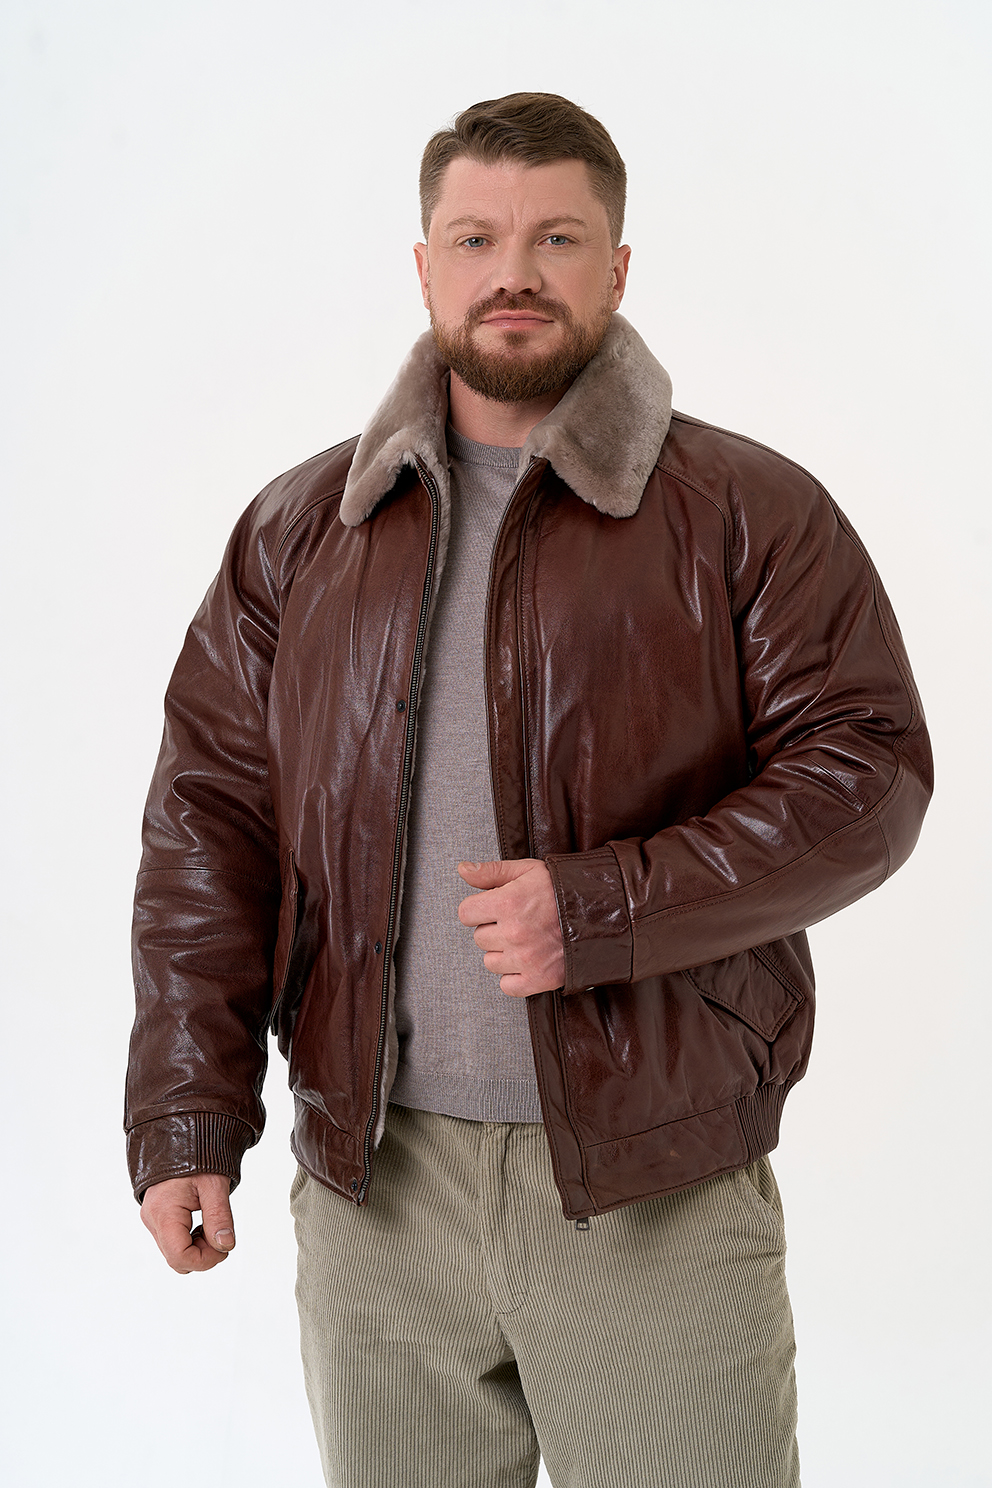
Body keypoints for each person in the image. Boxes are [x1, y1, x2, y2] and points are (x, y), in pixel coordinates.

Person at [127, 92, 932, 1488]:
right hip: (374, 1189)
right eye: (476, 238)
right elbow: (213, 820)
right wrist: (186, 1111)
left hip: (653, 1186)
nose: (514, 271)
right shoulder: (301, 531)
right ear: (424, 265)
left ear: (616, 268)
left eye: (557, 238)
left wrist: (607, 907)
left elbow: (869, 771)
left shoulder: (749, 512)